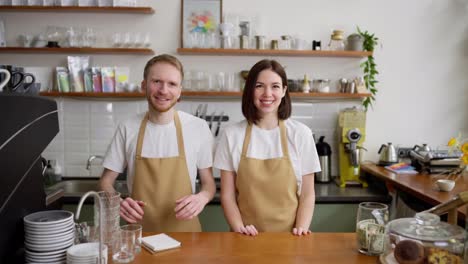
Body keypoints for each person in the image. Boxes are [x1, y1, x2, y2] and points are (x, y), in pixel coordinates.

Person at [99, 54, 216, 232]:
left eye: (172, 84)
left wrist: (202, 198)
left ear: (179, 91)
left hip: (187, 236)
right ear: (144, 85)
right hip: (139, 237)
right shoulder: (128, 127)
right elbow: (105, 182)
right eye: (156, 81)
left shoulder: (197, 127)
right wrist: (118, 202)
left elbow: (209, 184)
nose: (163, 90)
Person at [214, 59, 320, 236]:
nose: (267, 93)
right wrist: (239, 228)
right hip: (245, 237)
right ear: (250, 90)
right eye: (259, 86)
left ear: (284, 90)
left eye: (275, 86)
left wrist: (301, 228)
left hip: (290, 238)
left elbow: (308, 194)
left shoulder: (301, 134)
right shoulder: (232, 135)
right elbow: (227, 195)